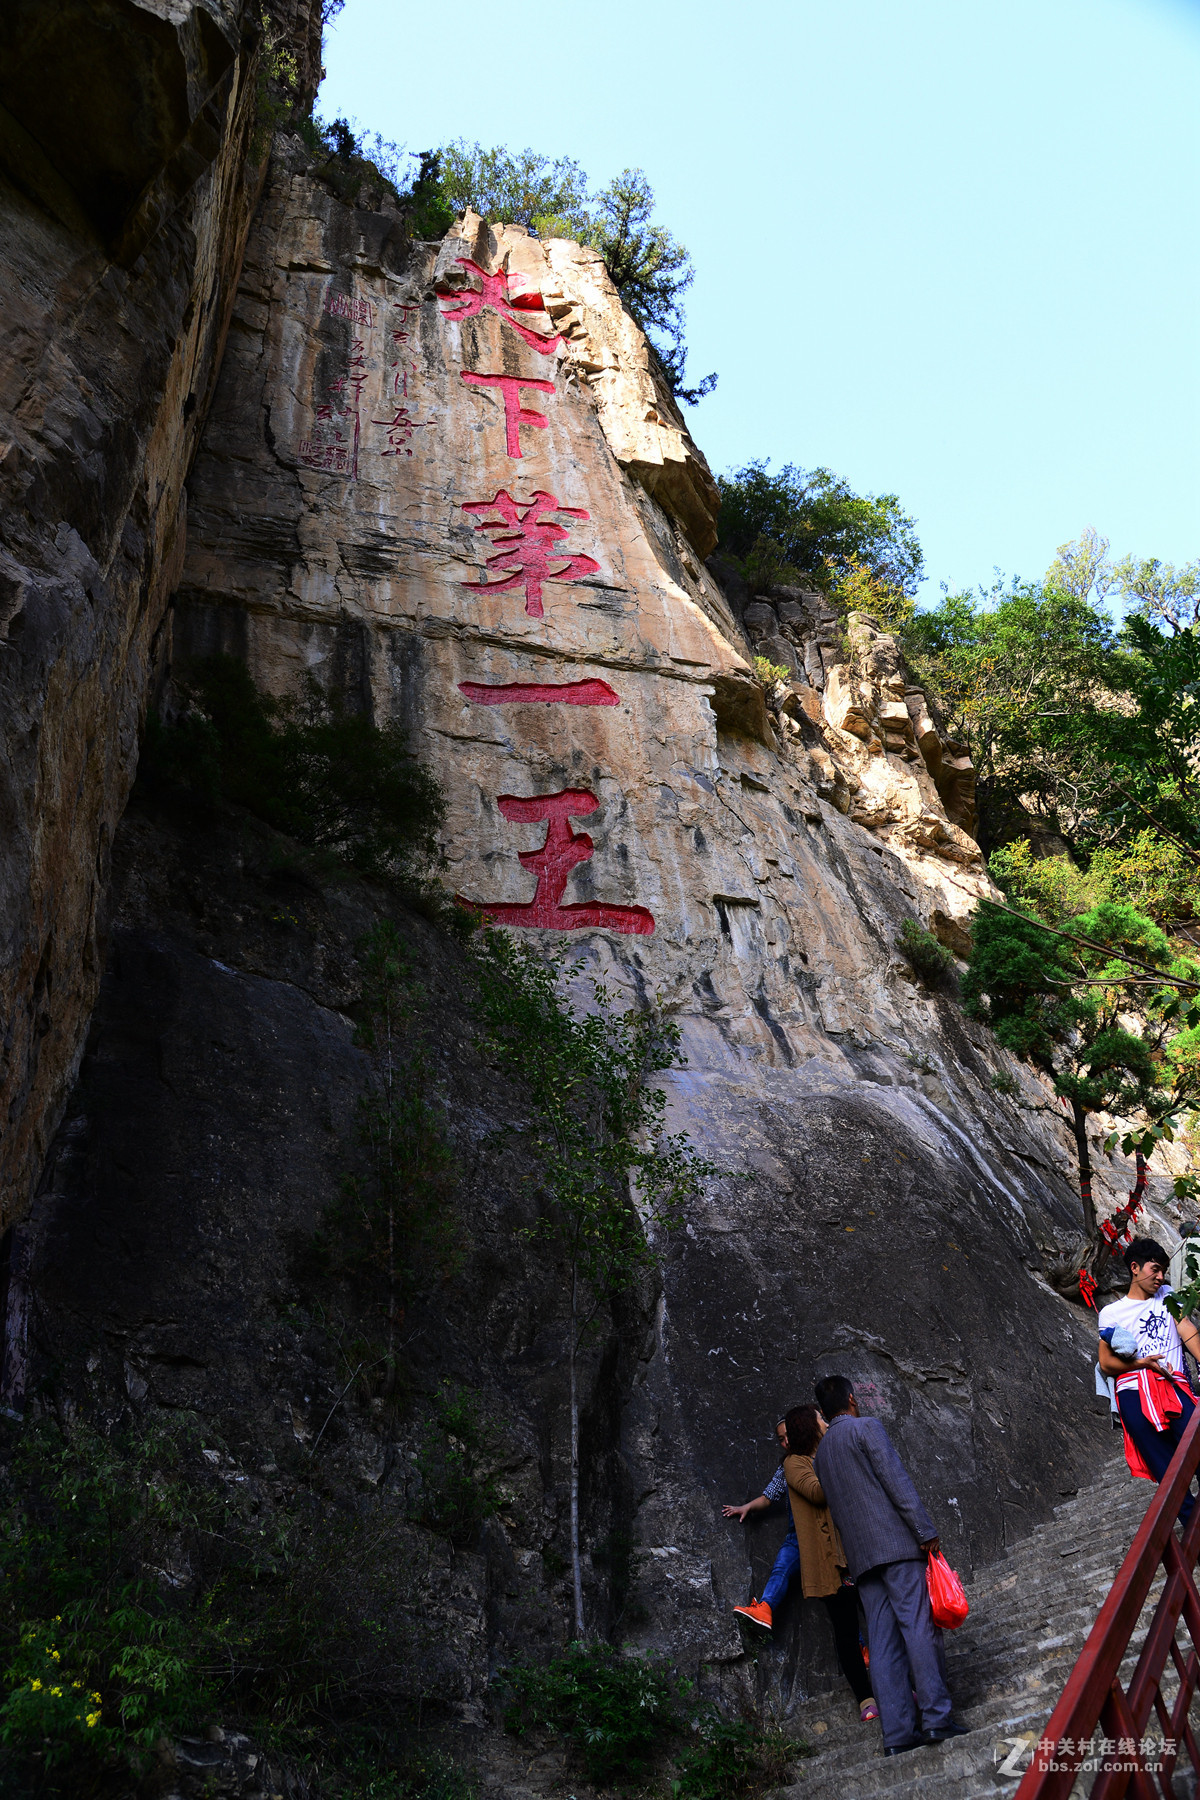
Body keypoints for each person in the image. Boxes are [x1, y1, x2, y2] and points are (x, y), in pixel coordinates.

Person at [813, 1374, 965, 1757]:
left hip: (862, 1559)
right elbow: (896, 1482)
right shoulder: (867, 1428)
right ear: (851, 1398)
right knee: (918, 1627)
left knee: (881, 1645)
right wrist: (924, 1529)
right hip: (895, 1545)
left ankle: (897, 1735)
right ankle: (936, 1718)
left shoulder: (823, 1454)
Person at [722, 1410, 878, 1723]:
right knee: (841, 1621)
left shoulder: (830, 1449)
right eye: (780, 1438)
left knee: (874, 1616)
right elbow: (793, 1494)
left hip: (852, 1548)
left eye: (787, 1435)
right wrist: (747, 1507)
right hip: (819, 1551)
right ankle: (866, 1698)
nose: (784, 1442)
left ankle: (885, 1674)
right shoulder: (794, 1464)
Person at [1098, 1236, 1200, 1521]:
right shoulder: (1111, 1313)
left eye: (1163, 1271)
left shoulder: (1168, 1295)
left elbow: (1186, 1329)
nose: (1160, 1276)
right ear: (1134, 1267)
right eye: (1154, 1269)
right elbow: (1106, 1363)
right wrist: (1141, 1362)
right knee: (1166, 1471)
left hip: (1173, 1385)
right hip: (1133, 1393)